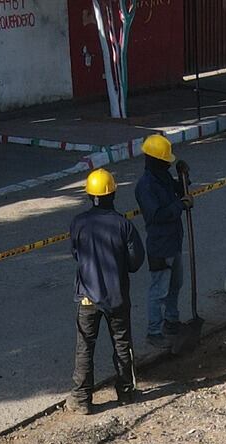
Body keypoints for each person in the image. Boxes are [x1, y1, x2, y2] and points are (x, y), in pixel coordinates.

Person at [69, 168, 145, 416]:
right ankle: (125, 392)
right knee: (122, 344)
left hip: (88, 297)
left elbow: (76, 256)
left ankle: (81, 399)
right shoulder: (124, 225)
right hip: (116, 297)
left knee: (85, 347)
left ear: (90, 195)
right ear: (113, 193)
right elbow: (135, 263)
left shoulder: (78, 223)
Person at [134, 134, 190, 349]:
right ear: (156, 160)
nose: (169, 163)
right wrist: (181, 205)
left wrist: (184, 176)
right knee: (159, 291)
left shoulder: (162, 177)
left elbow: (180, 190)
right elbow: (156, 215)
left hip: (174, 241)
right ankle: (154, 331)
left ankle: (172, 321)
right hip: (160, 245)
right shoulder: (146, 186)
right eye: (167, 161)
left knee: (176, 283)